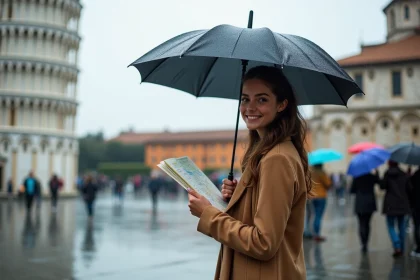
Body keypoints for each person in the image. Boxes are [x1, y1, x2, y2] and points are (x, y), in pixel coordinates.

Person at [186, 66, 311, 280]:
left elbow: (264, 243)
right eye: (244, 99)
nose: (249, 107)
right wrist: (239, 198)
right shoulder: (268, 153)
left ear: (281, 104)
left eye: (261, 99)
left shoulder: (276, 159)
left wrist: (208, 214)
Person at [380, 160, 412, 257]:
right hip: (402, 204)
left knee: (390, 226)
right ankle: (401, 248)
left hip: (390, 205)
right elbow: (410, 189)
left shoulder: (387, 173)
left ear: (389, 163)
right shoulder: (404, 174)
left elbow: (382, 186)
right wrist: (408, 175)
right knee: (402, 226)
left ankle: (396, 243)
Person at [350, 170, 380, 253]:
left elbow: (352, 190)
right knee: (367, 223)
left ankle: (363, 244)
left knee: (361, 223)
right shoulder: (371, 176)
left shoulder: (356, 176)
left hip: (359, 203)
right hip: (370, 202)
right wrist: (377, 173)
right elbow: (379, 183)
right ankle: (366, 243)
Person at [310, 163, 332, 242]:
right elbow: (328, 184)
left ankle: (314, 233)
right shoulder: (322, 173)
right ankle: (317, 234)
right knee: (318, 215)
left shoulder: (311, 172)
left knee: (315, 214)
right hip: (321, 196)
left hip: (313, 196)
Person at [409, 167, 420, 257]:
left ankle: (418, 249)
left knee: (417, 226)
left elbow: (410, 190)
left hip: (416, 205)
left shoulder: (415, 176)